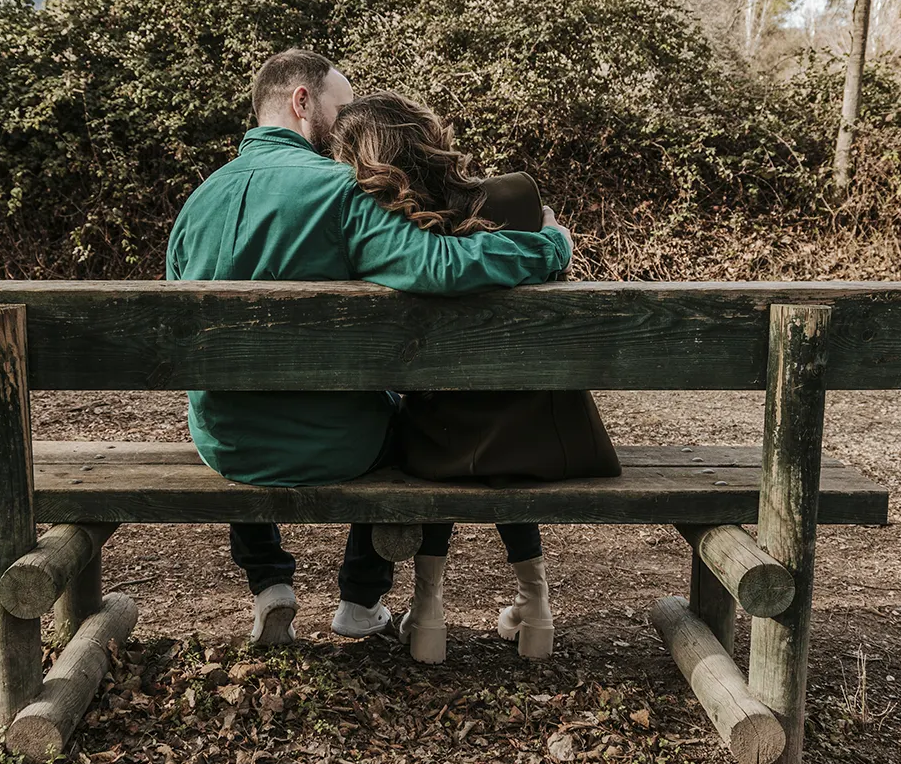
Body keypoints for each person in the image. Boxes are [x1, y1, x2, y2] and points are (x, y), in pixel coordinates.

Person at [164, 49, 574, 647]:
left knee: (230, 399)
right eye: (342, 103)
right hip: (338, 447)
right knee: (400, 418)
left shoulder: (197, 203)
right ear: (303, 103)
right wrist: (548, 247)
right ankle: (360, 599)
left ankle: (270, 582)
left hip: (227, 447)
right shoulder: (341, 193)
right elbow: (439, 264)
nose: (349, 116)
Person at [326, 91, 621, 663]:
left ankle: (429, 608)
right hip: (542, 434)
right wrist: (554, 243)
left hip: (438, 443)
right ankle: (536, 605)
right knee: (505, 412)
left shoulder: (378, 232)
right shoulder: (516, 195)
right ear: (427, 135)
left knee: (438, 418)